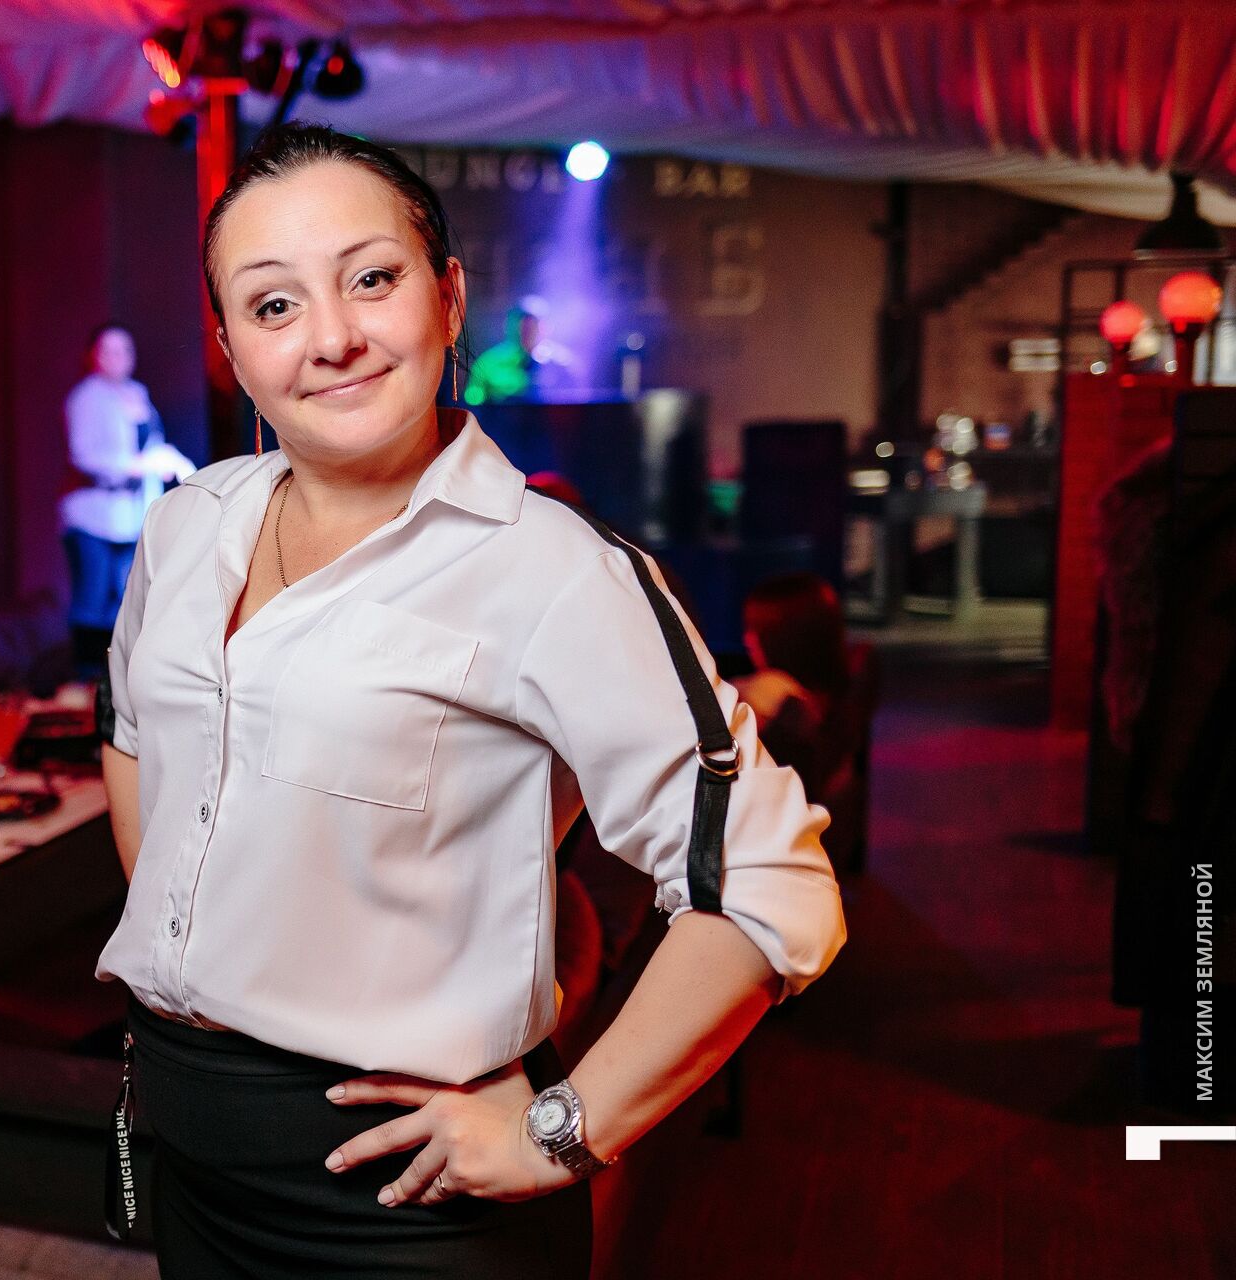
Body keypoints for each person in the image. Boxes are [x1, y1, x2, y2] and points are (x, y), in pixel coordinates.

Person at [95, 122, 846, 1278]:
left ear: (449, 298)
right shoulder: (186, 524)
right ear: (231, 346)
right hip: (189, 1152)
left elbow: (769, 880)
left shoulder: (554, 571)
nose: (332, 337)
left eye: (371, 279)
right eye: (274, 304)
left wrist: (560, 1130)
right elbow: (135, 733)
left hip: (408, 1204)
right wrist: (195, 947)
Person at [59, 323, 192, 671]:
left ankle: (118, 681)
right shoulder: (86, 398)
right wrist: (138, 465)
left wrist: (172, 462)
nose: (116, 358)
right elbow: (84, 456)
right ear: (94, 356)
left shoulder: (136, 394)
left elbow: (151, 444)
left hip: (130, 518)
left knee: (128, 603)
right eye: (108, 351)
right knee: (92, 601)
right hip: (94, 518)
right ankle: (86, 679)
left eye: (123, 351)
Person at [733, 571, 851, 790]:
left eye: (754, 629)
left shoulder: (770, 693)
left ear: (779, 638)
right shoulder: (836, 698)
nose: (747, 639)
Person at [463, 295, 580, 405]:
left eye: (532, 326)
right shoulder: (488, 363)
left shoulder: (562, 363)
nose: (525, 331)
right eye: (521, 325)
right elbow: (474, 402)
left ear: (545, 327)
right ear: (508, 326)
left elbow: (575, 403)